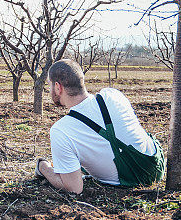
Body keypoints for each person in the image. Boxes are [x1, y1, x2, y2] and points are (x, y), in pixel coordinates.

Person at [34, 59, 164, 193]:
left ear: (57, 87)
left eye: (49, 85)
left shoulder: (61, 130)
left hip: (130, 180)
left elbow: (75, 188)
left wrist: (44, 167)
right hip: (156, 165)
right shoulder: (112, 95)